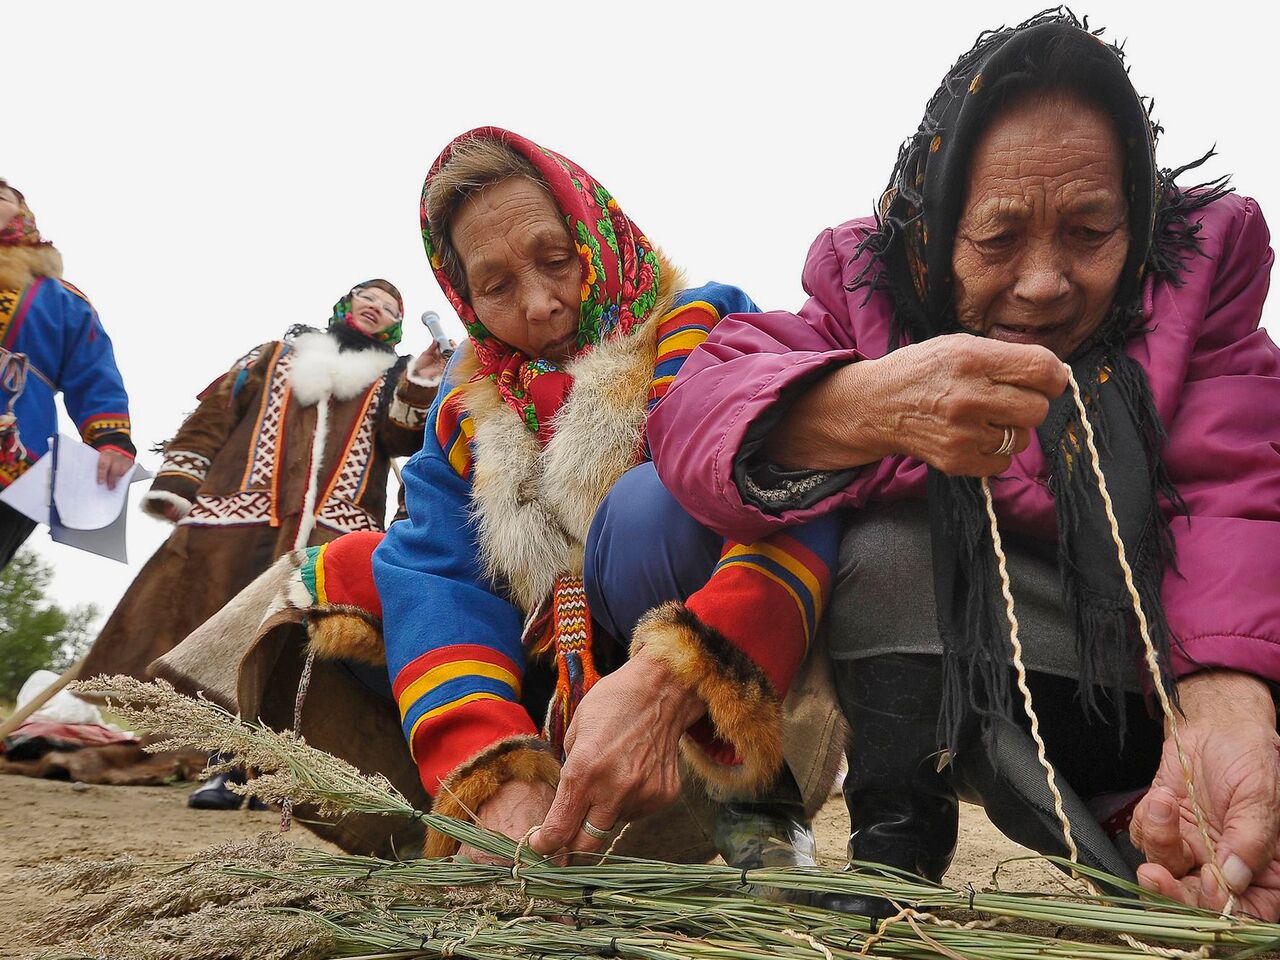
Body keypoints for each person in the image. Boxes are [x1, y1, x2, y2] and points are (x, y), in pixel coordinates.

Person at [647, 12, 1280, 918]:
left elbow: (1238, 491)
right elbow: (693, 410)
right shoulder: (868, 286)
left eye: (1092, 229)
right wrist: (867, 405)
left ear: (1138, 215)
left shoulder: (1196, 277)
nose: (1043, 282)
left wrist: (1225, 705)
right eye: (998, 236)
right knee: (885, 539)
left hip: (1139, 670)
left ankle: (1157, 824)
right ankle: (893, 845)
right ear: (934, 225)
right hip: (952, 649)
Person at [365, 127, 846, 869]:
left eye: (556, 261)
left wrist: (670, 674)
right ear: (464, 298)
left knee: (649, 506)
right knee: (362, 574)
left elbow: (786, 481)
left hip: (713, 660)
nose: (540, 305)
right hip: (552, 675)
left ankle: (753, 801)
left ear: (598, 234)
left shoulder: (707, 328)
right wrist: (494, 763)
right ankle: (503, 816)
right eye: (495, 287)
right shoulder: (467, 412)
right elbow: (438, 573)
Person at [78, 279, 446, 805]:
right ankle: (213, 757)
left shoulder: (391, 378)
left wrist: (419, 381)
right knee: (204, 632)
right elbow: (215, 414)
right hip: (235, 522)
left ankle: (273, 767)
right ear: (344, 306)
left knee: (296, 650)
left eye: (389, 307)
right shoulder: (275, 356)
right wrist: (179, 482)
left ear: (394, 329)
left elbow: (403, 438)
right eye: (367, 297)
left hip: (333, 532)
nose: (376, 307)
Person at [0, 179, 134, 567]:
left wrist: (112, 441)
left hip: (13, 458)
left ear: (22, 215)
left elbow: (93, 372)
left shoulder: (61, 299)